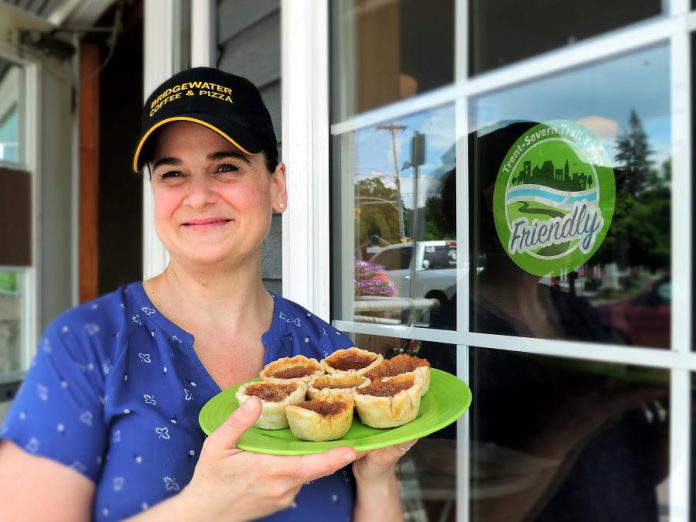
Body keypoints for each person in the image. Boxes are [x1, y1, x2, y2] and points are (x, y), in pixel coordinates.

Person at [0, 67, 412, 521]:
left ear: (277, 186)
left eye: (226, 167)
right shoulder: (86, 345)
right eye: (173, 174)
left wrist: (376, 475)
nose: (197, 196)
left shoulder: (329, 357)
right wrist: (206, 508)